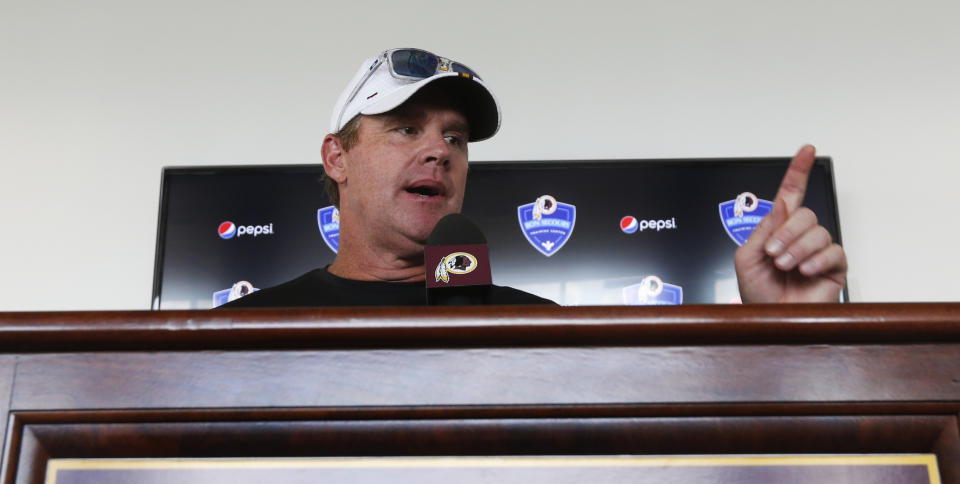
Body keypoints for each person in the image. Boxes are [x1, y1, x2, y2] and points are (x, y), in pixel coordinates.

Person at [225, 48, 846, 308]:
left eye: (455, 138)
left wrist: (780, 329)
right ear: (337, 158)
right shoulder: (243, 332)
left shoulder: (539, 327)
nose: (439, 152)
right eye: (407, 129)